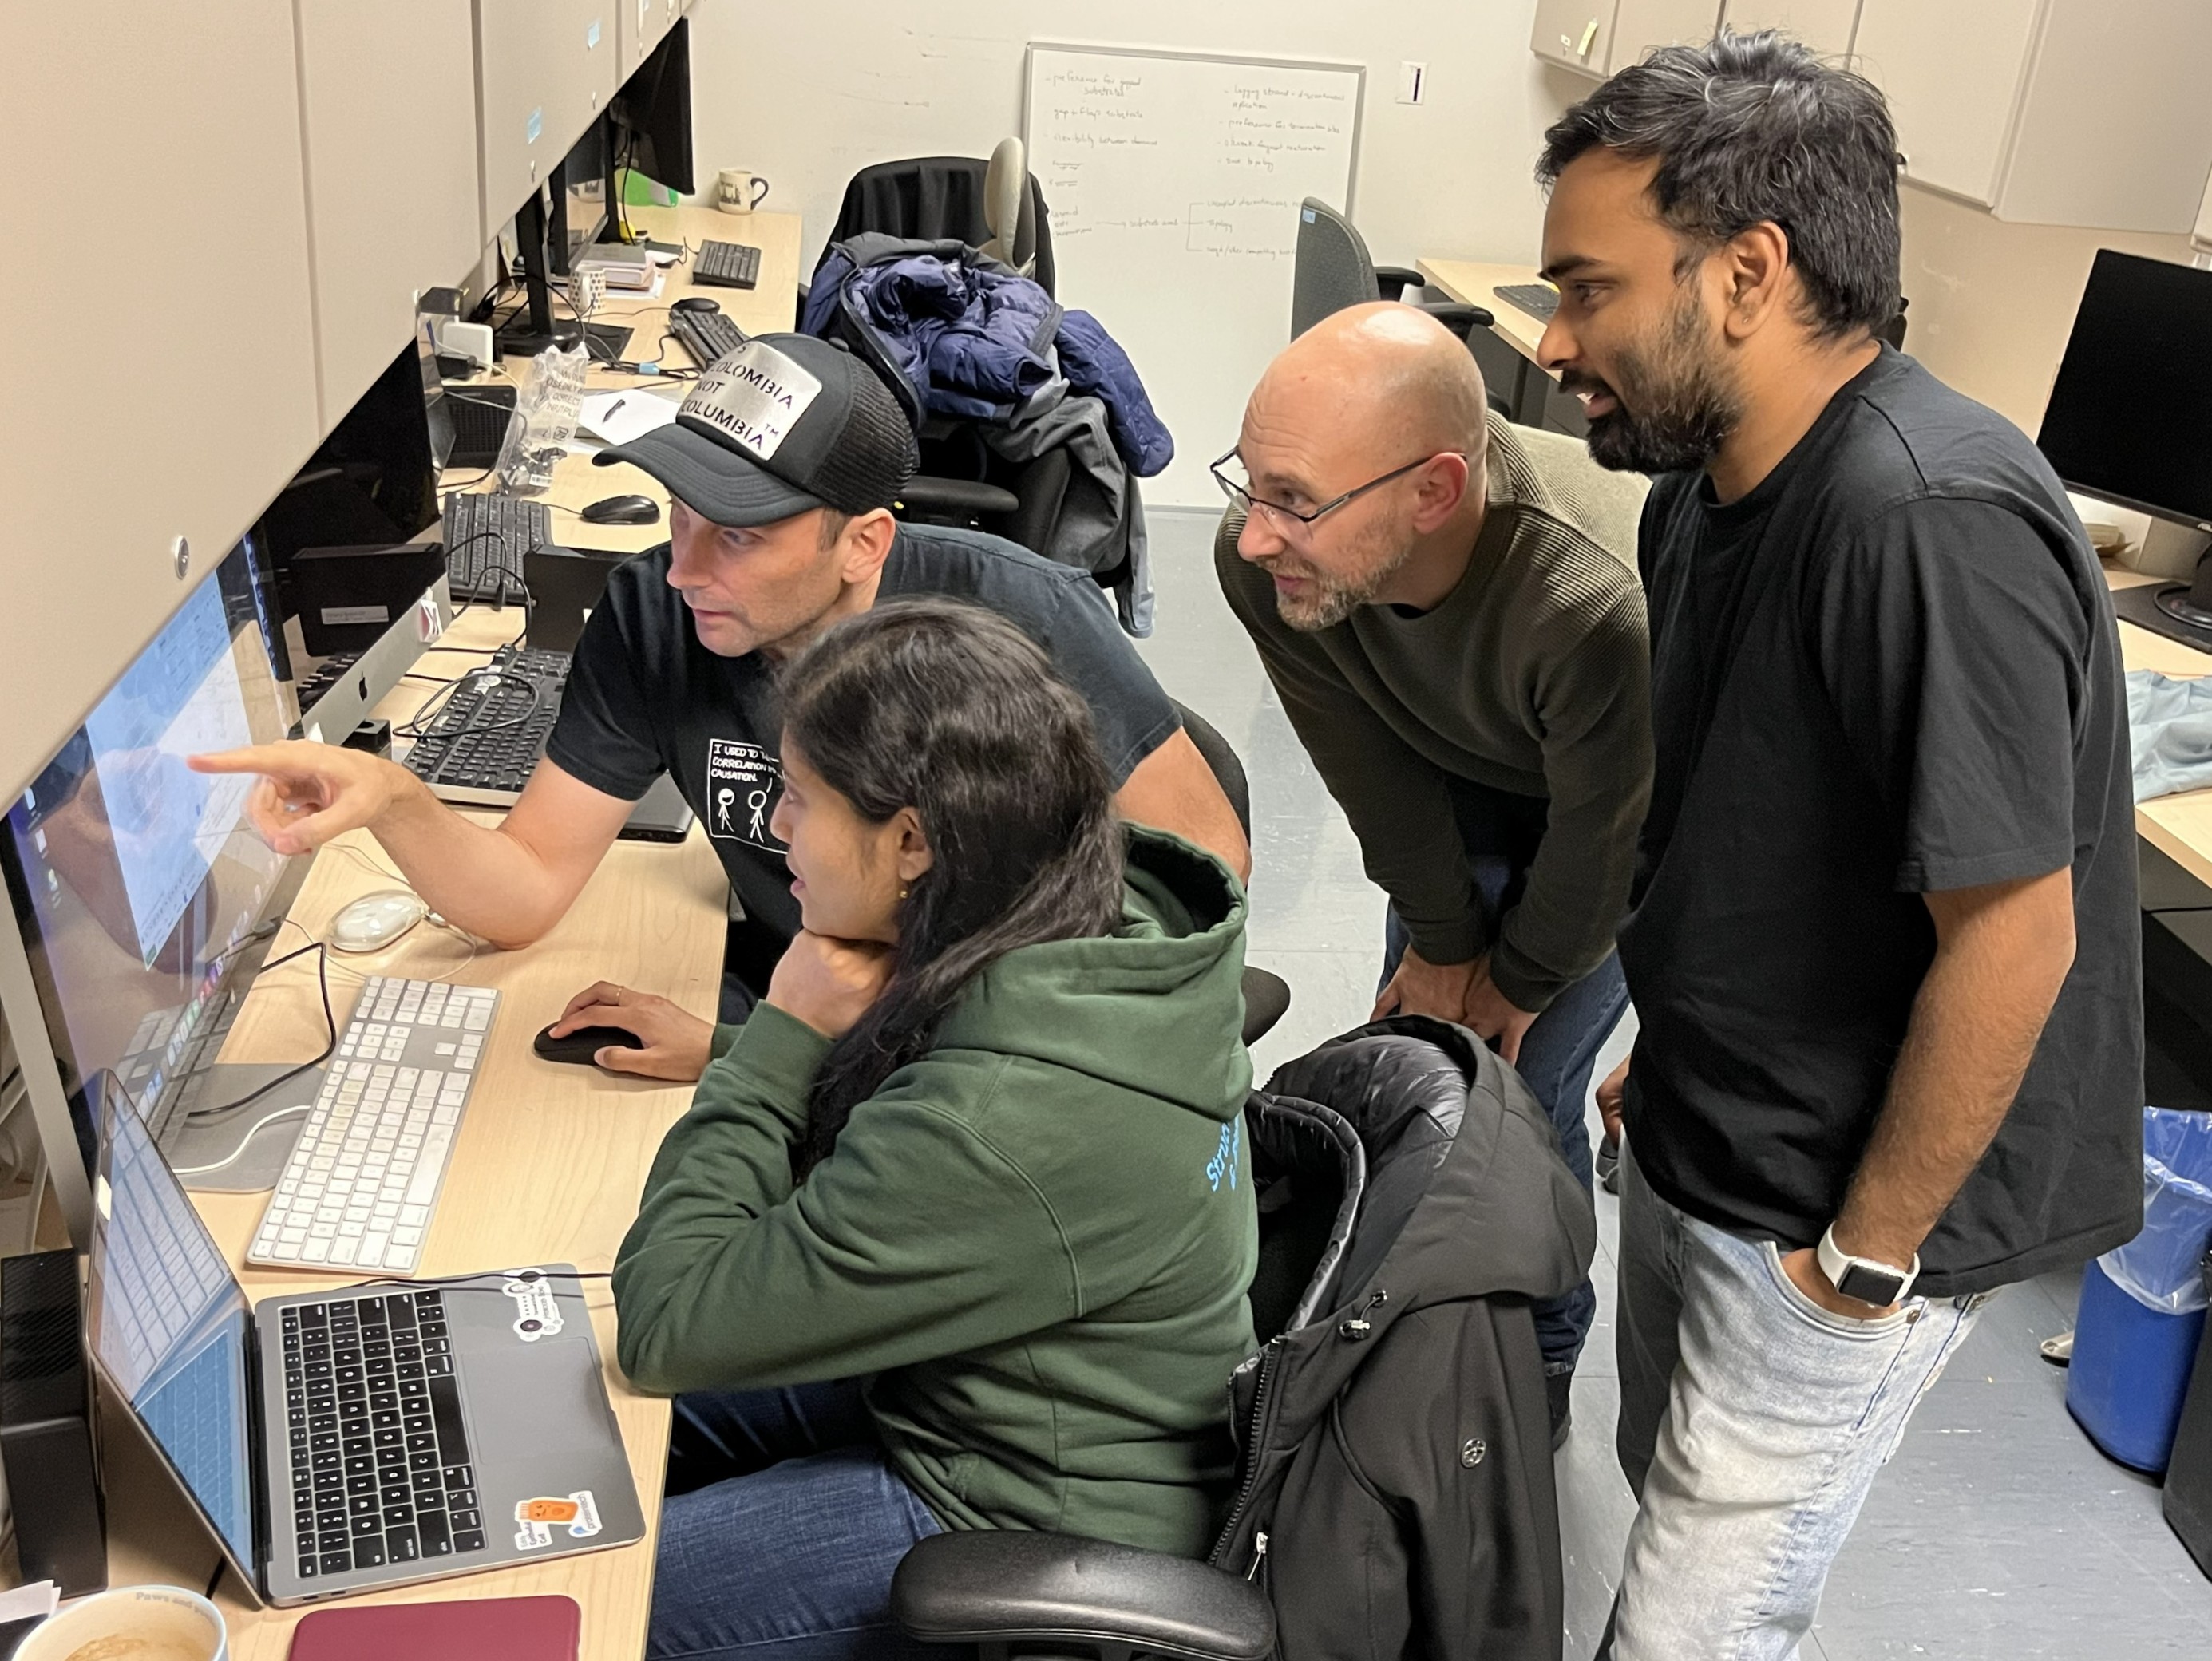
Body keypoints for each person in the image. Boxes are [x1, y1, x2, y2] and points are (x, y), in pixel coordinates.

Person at [1533, 33, 2143, 1659]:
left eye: (1588, 289)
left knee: (1689, 1634)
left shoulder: (1924, 520)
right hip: (1705, 1127)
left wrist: (1859, 1270)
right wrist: (1671, 1036)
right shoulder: (1704, 485)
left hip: (1836, 1216)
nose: (1551, 341)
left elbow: (2019, 934)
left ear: (1747, 272)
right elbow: (1762, 812)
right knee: (1660, 1486)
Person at [192, 334, 1247, 1081]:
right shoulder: (659, 616)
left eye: (737, 535)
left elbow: (1207, 871)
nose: (685, 567)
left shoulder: (1019, 618)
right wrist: (391, 798)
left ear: (862, 544)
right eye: (676, 515)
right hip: (814, 1000)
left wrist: (768, 1048)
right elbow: (523, 890)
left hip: (987, 1055)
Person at [611, 598, 1259, 1659]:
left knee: (589, 1592)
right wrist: (740, 1050)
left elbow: (667, 1323)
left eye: (801, 798)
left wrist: (780, 1030)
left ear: (911, 840)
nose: (776, 829)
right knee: (573, 1423)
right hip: (979, 1378)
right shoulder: (1093, 910)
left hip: (1017, 1508)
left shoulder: (999, 1122)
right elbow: (928, 1095)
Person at [1214, 302, 1652, 1439]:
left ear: (1434, 493)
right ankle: (1404, 1332)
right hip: (1459, 763)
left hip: (1618, 810)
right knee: (1426, 1056)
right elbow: (1373, 770)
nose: (1258, 533)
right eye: (1251, 482)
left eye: (1296, 500)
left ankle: (1535, 1366)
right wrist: (1445, 946)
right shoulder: (1262, 560)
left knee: (1521, 1092)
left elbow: (1611, 836)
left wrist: (1518, 976)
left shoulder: (1593, 601)